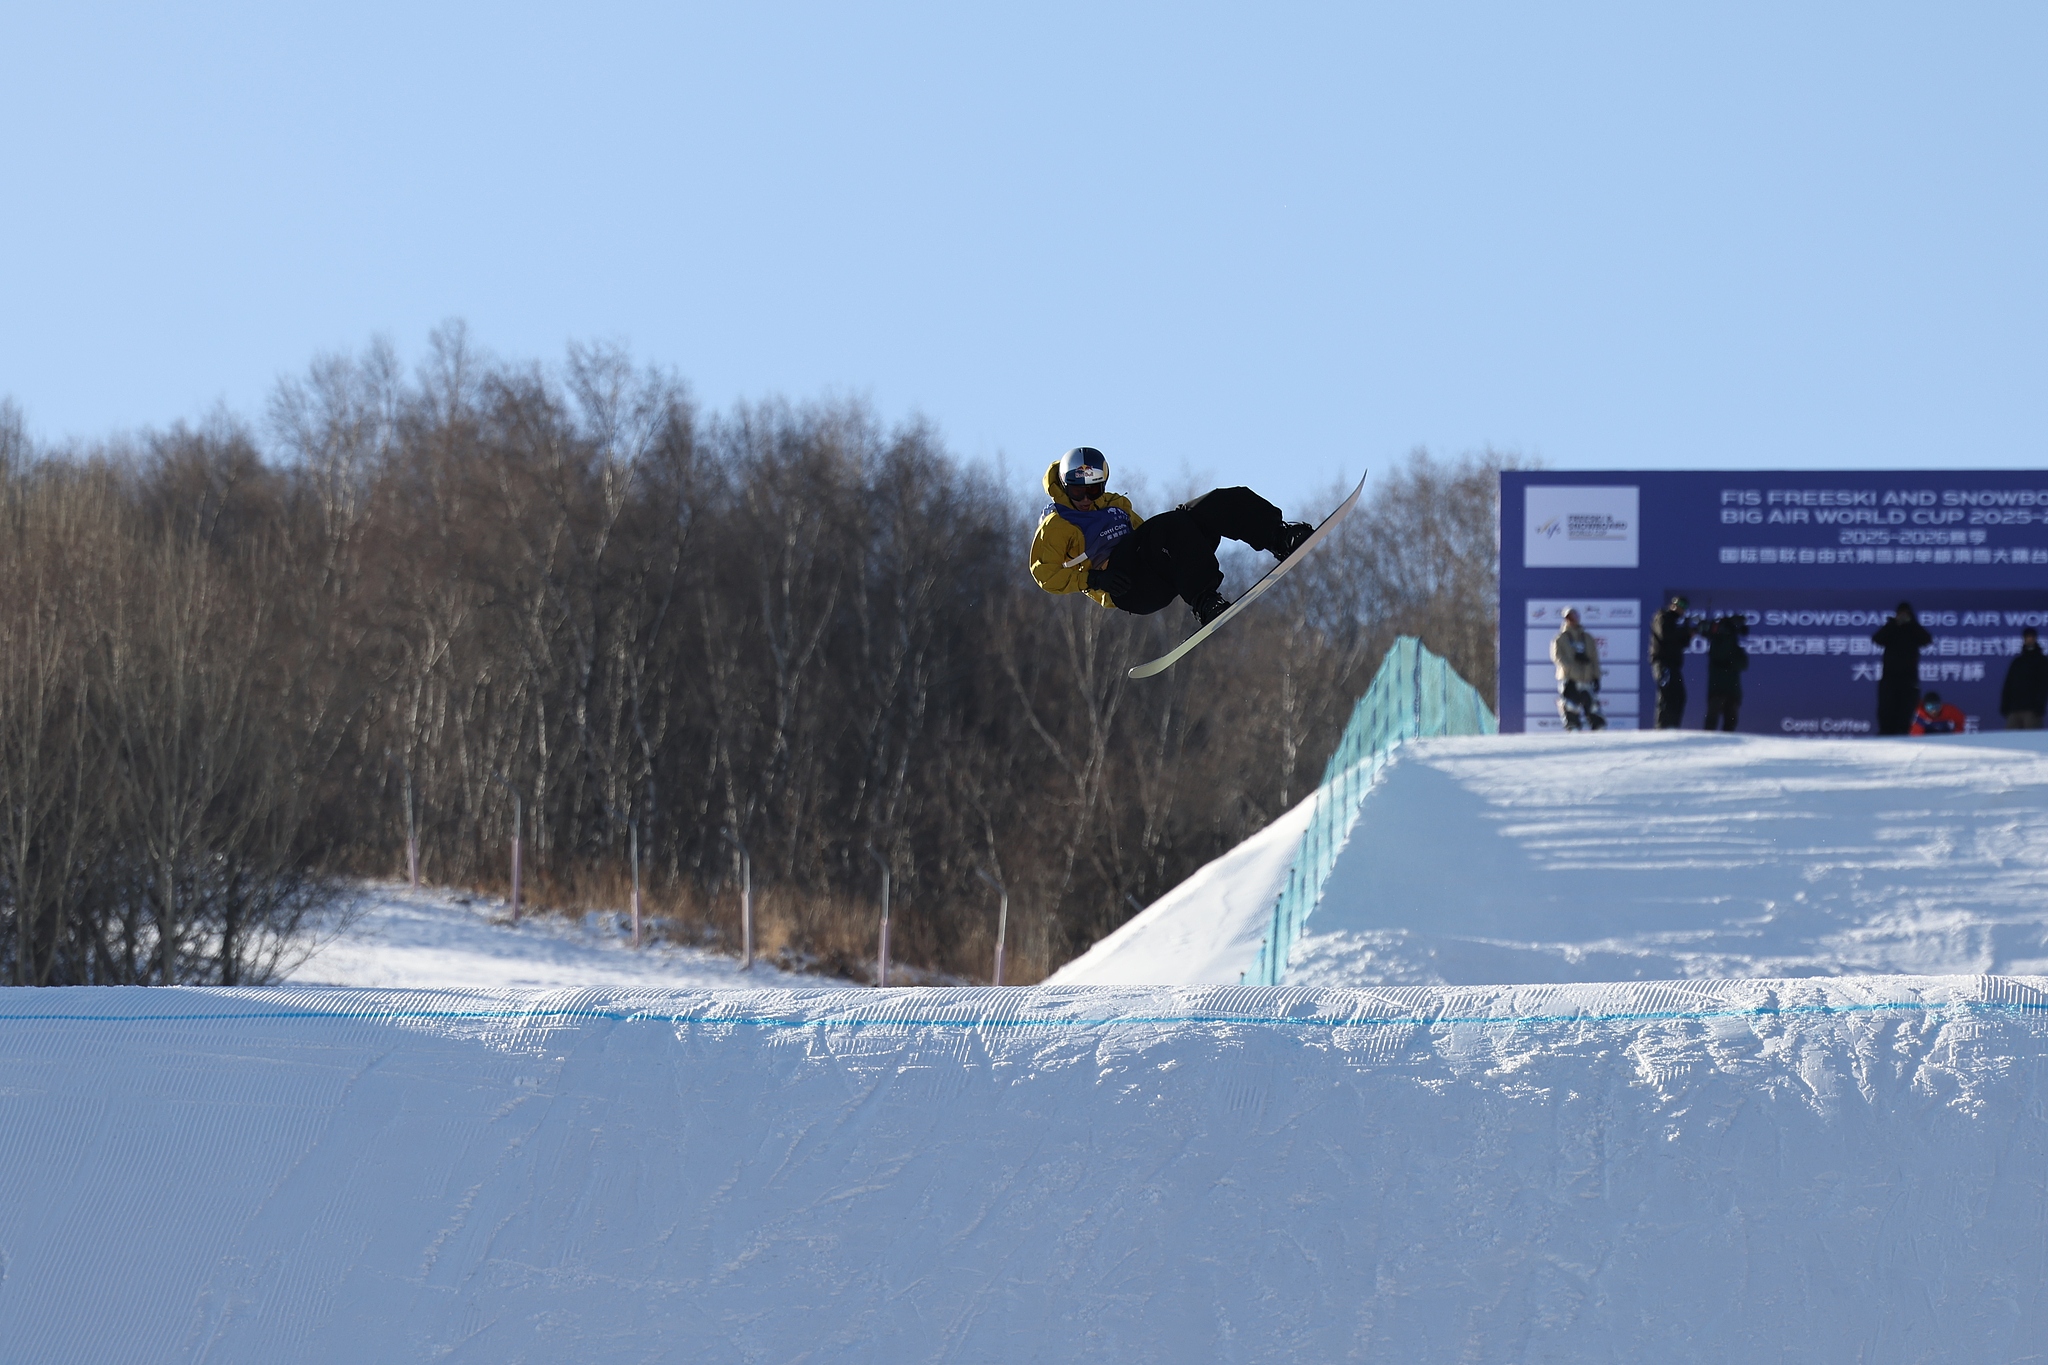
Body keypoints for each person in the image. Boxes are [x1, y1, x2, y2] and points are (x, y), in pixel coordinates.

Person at [1028, 447, 1313, 626]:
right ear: (1066, 487)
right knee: (1172, 524)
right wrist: (1093, 580)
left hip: (1155, 567)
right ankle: (1204, 602)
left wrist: (1188, 539)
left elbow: (1147, 535)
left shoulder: (1114, 504)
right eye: (1079, 491)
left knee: (1211, 506)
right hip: (1127, 585)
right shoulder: (1058, 524)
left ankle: (1279, 537)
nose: (1086, 499)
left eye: (1094, 490)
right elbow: (1044, 574)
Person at [1871, 601, 1932, 736]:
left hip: (1909, 678)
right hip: (1889, 677)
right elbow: (1877, 639)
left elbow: (1927, 639)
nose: (1903, 616)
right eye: (1901, 614)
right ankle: (1885, 733)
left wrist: (1912, 623)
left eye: (1906, 614)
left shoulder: (1913, 629)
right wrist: (1894, 623)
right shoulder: (1892, 627)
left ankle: (1902, 733)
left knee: (1906, 708)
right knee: (1886, 708)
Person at [1551, 606, 1606, 731]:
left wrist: (1596, 677)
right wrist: (1572, 666)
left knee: (1593, 709)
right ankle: (1573, 731)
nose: (1572, 620)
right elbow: (1558, 657)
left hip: (1586, 679)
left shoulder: (1587, 638)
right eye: (1569, 617)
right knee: (1570, 708)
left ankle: (1599, 732)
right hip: (1569, 679)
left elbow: (1594, 659)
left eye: (1574, 617)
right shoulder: (1560, 638)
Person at [1648, 594, 1697, 729]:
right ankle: (1661, 728)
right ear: (1672, 605)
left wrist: (1689, 634)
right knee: (1666, 695)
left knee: (1679, 696)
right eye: (1678, 606)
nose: (1680, 609)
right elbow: (1665, 635)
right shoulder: (1662, 616)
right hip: (1663, 663)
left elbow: (1680, 643)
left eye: (1683, 607)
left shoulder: (1677, 623)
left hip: (1673, 665)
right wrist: (1684, 631)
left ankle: (1673, 727)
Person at [1700, 612, 1749, 732]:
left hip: (1731, 687)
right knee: (1713, 719)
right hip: (1719, 687)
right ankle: (1705, 743)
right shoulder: (1718, 643)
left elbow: (1743, 664)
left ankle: (1727, 746)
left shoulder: (1734, 646)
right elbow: (1722, 655)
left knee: (1730, 720)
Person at [2001, 627, 2048, 729]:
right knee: (2010, 740)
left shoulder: (2042, 661)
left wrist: (2039, 707)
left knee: (2031, 741)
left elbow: (2043, 685)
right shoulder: (2018, 662)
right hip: (2014, 709)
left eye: (2031, 637)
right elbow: (2008, 684)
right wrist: (2005, 705)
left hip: (2032, 710)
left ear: (2035, 639)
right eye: (2027, 637)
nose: (2029, 639)